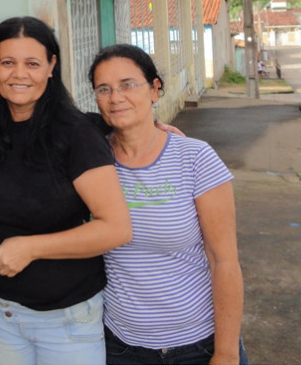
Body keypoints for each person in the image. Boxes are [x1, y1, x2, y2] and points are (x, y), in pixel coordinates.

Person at [0, 17, 132, 364]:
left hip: (68, 320)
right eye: (7, 63)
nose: (19, 74)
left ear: (51, 66)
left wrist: (30, 248)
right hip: (4, 315)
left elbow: (116, 228)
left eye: (32, 63)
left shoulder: (75, 134)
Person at [89, 44, 246, 365]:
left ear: (155, 89)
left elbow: (224, 260)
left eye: (128, 85)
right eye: (104, 89)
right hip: (122, 348)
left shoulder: (195, 157)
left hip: (199, 345)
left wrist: (226, 351)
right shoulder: (91, 162)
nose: (116, 97)